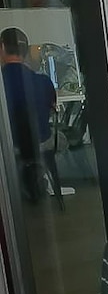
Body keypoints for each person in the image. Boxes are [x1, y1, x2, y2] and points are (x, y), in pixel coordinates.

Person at [1, 27, 57, 202]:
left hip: (11, 145)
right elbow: (52, 108)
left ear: (2, 47)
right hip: (42, 140)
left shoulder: (2, 83)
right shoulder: (43, 81)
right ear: (26, 51)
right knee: (59, 137)